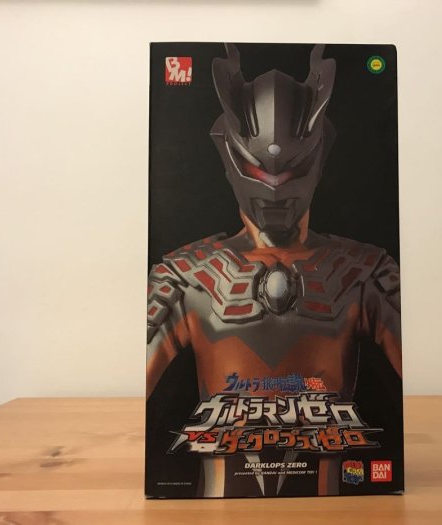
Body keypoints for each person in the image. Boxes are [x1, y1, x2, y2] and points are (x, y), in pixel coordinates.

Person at [146, 44, 401, 497]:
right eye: (258, 170)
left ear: (318, 158)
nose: (277, 189)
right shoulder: (186, 275)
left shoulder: (364, 271)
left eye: (292, 170)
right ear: (230, 156)